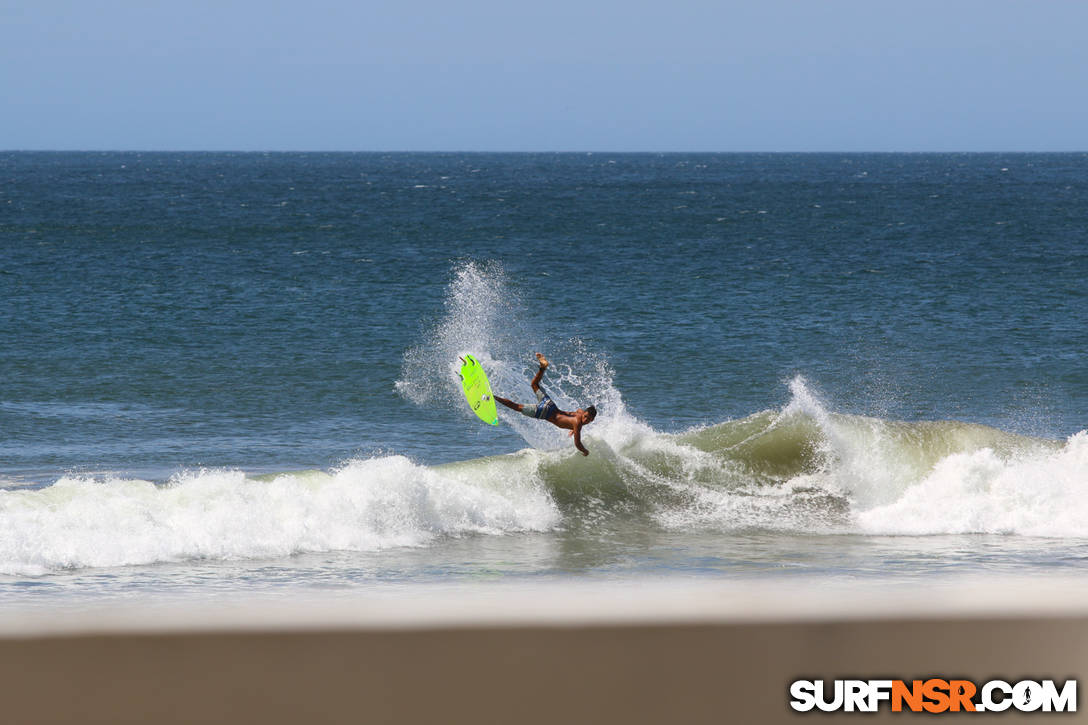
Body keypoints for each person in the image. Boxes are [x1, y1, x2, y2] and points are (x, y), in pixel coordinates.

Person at [494, 353, 598, 456]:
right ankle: (494, 396)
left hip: (550, 405)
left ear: (592, 420)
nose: (585, 420)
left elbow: (577, 413)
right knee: (517, 407)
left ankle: (543, 367)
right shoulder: (578, 424)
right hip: (545, 412)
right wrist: (585, 451)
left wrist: (573, 428)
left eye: (588, 419)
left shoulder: (579, 414)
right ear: (584, 413)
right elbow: (578, 443)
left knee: (534, 384)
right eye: (585, 417)